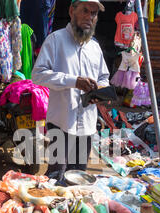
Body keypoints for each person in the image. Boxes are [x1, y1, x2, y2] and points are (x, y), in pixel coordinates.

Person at [31, 0, 110, 184]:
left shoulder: (94, 47)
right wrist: (73, 81)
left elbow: (104, 77)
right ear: (71, 11)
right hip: (61, 121)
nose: (89, 17)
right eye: (85, 11)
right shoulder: (55, 40)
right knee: (56, 176)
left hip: (88, 123)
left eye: (94, 13)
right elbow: (38, 75)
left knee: (78, 176)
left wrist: (99, 92)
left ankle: (71, 211)